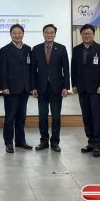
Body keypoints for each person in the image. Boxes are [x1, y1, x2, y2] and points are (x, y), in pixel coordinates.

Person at [71, 24, 100, 158]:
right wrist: (74, 84)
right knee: (86, 117)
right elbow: (73, 69)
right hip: (82, 89)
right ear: (81, 35)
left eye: (89, 33)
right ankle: (91, 142)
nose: (86, 35)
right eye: (84, 33)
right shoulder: (76, 50)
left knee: (96, 118)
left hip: (96, 90)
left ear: (93, 34)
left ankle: (97, 145)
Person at [31, 24, 70, 152]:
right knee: (42, 117)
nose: (49, 34)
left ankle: (55, 142)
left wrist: (66, 86)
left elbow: (66, 69)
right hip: (41, 88)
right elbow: (32, 70)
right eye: (47, 32)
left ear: (55, 34)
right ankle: (43, 141)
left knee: (56, 117)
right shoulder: (36, 49)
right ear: (43, 34)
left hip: (57, 88)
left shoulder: (61, 48)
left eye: (51, 32)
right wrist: (33, 87)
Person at [0, 24, 33, 153]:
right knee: (10, 117)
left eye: (19, 33)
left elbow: (30, 69)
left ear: (23, 34)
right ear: (10, 34)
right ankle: (8, 142)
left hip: (25, 89)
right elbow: (2, 70)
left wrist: (31, 86)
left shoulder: (28, 49)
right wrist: (4, 86)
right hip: (11, 89)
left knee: (21, 117)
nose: (17, 35)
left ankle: (20, 141)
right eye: (14, 33)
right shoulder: (5, 50)